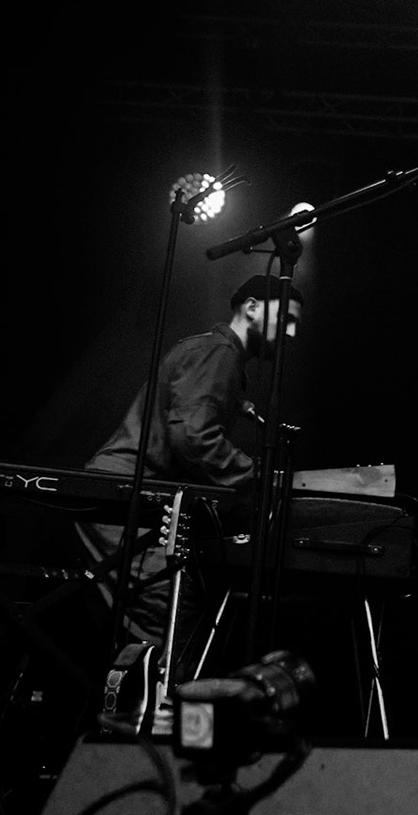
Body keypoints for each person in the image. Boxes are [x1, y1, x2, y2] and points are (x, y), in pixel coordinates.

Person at [81, 275, 302, 725]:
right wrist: (257, 478)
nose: (294, 333)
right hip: (125, 500)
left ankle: (132, 723)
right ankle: (147, 730)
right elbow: (195, 439)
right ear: (253, 307)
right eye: (289, 319)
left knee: (162, 619)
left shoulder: (220, 358)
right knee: (173, 612)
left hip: (130, 500)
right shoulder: (217, 352)